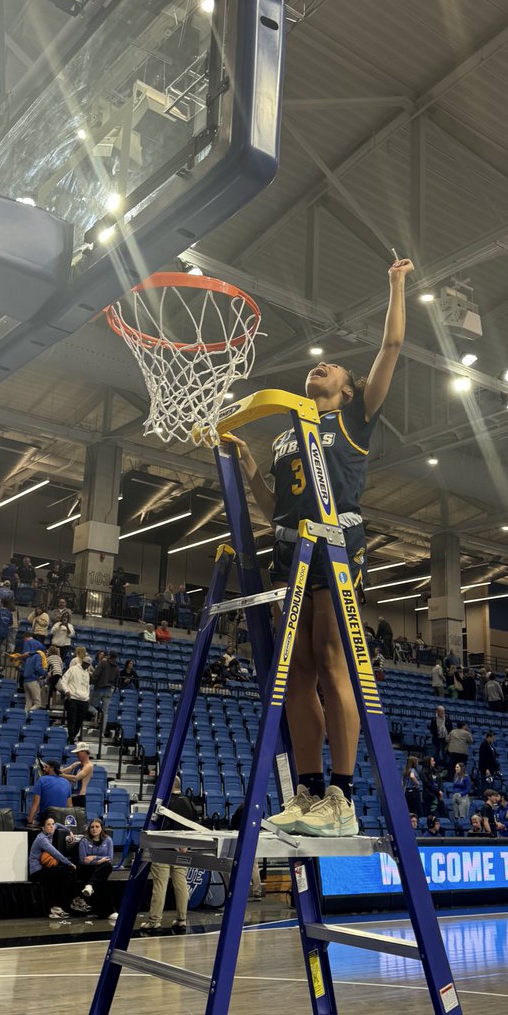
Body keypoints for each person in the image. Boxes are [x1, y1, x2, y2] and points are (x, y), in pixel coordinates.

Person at [224, 257, 413, 837]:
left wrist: (396, 285)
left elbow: (392, 345)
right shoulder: (286, 433)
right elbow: (271, 504)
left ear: (347, 389)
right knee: (297, 672)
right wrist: (251, 463)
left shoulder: (354, 418)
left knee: (333, 663)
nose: (321, 365)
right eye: (317, 364)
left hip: (335, 544)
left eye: (332, 367)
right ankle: (306, 795)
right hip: (290, 549)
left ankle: (343, 795)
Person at [141, 777, 196, 933]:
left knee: (160, 884)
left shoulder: (165, 803)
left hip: (164, 849)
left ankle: (154, 921)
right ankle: (182, 919)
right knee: (181, 883)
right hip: (184, 848)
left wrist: (174, 845)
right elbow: (195, 825)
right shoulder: (189, 802)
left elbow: (163, 828)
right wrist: (185, 845)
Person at [28, 816, 85, 919]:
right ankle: (61, 906)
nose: (51, 827)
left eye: (52, 824)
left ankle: (72, 900)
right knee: (67, 871)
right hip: (36, 871)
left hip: (45, 869)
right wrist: (69, 863)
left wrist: (69, 831)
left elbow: (58, 824)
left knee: (69, 872)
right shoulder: (42, 839)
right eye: (48, 825)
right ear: (43, 828)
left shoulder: (51, 830)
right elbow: (56, 854)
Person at [76, 817, 116, 919]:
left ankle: (90, 885)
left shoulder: (108, 840)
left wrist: (94, 857)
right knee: (102, 879)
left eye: (97, 826)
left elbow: (110, 859)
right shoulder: (84, 841)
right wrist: (98, 861)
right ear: (89, 829)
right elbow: (83, 860)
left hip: (101, 868)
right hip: (86, 869)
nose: (94, 829)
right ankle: (110, 912)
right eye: (92, 827)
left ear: (101, 828)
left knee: (107, 866)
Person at [26, 761, 73, 826]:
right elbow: (70, 806)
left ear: (52, 769)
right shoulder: (67, 782)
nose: (44, 769)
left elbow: (35, 804)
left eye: (46, 767)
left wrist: (29, 822)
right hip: (62, 820)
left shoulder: (42, 780)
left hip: (45, 819)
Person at [59, 652, 93, 741]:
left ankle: (73, 736)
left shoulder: (87, 674)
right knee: (72, 719)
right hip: (73, 698)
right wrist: (66, 691)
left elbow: (87, 686)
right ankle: (70, 736)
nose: (87, 666)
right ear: (83, 662)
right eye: (86, 664)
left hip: (83, 700)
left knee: (79, 721)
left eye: (88, 665)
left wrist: (87, 696)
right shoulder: (73, 669)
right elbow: (64, 680)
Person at [91, 650, 120, 737]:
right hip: (109, 691)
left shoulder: (103, 663)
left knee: (88, 705)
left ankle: (96, 713)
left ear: (109, 655)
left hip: (99, 688)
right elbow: (117, 682)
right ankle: (102, 733)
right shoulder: (117, 668)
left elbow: (96, 675)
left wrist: (91, 681)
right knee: (105, 712)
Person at [21, 635, 47, 713]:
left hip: (25, 681)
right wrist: (45, 673)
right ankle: (30, 714)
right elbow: (38, 668)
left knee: (28, 704)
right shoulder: (37, 656)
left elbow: (23, 669)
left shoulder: (28, 657)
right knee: (38, 704)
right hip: (32, 680)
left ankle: (24, 719)